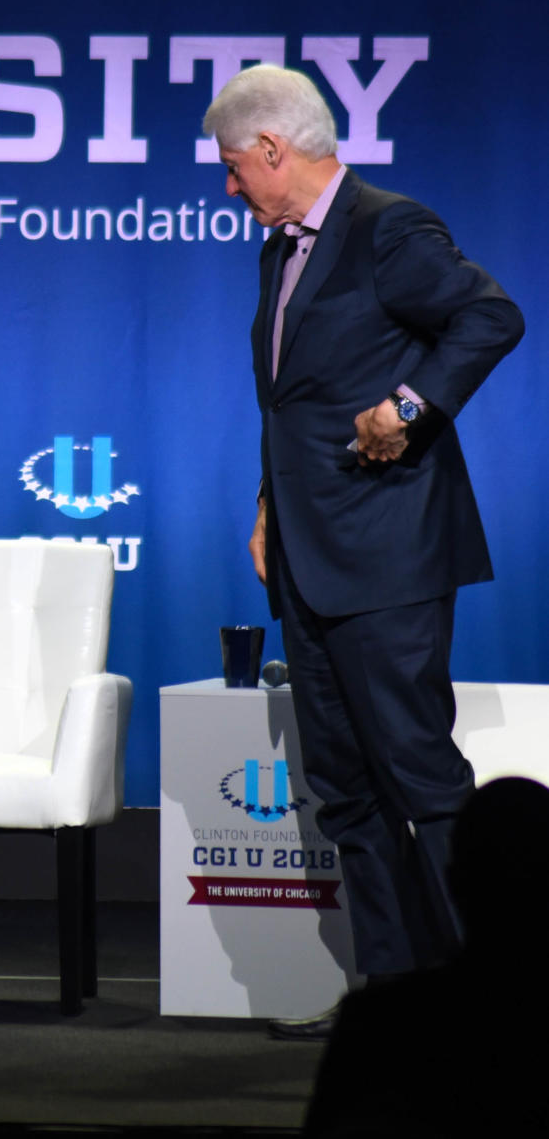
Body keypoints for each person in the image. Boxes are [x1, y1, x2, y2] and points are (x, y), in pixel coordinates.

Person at [202, 64, 523, 1039]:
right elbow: (292, 399)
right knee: (346, 790)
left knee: (419, 777)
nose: (227, 189)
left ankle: (491, 997)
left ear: (272, 149)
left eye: (230, 167)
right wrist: (269, 501)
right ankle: (393, 1002)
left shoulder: (388, 227)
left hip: (388, 548)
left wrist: (411, 406)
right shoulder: (281, 248)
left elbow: (489, 316)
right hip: (307, 553)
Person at [303, 777, 549, 1136]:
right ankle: (387, 971)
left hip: (412, 1019)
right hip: (399, 1012)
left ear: (454, 881)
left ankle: (460, 979)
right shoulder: (372, 1020)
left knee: (428, 791)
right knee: (352, 799)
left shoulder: (371, 1026)